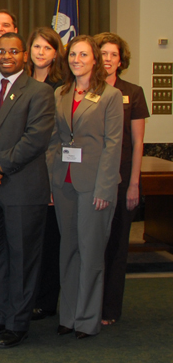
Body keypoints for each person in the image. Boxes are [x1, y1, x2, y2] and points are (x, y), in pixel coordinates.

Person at [0, 33, 55, 348]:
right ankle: (0, 315)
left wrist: (0, 168)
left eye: (13, 51)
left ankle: (18, 323)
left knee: (22, 257)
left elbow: (36, 138)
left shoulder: (40, 92)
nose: (7, 55)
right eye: (1, 50)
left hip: (21, 188)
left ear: (24, 56)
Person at [48, 35, 123, 338]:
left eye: (83, 54)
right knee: (68, 250)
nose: (77, 59)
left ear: (96, 59)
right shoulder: (61, 93)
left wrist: (105, 189)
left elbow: (114, 144)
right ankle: (68, 316)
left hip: (94, 185)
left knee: (91, 253)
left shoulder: (110, 95)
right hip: (64, 183)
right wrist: (51, 180)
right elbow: (54, 140)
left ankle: (87, 319)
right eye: (73, 55)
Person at [94, 32, 149, 326]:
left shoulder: (134, 92)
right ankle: (88, 304)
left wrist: (134, 184)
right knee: (93, 245)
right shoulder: (89, 90)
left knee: (116, 246)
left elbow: (138, 143)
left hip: (123, 177)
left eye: (113, 54)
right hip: (92, 178)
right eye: (103, 54)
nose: (108, 59)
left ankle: (110, 309)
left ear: (121, 60)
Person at [25, 27, 66, 321]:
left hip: (49, 171)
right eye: (36, 47)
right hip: (22, 171)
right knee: (27, 240)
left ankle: (47, 299)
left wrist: (52, 180)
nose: (41, 52)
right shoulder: (21, 83)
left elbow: (59, 138)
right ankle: (28, 295)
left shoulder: (62, 88)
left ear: (56, 53)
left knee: (49, 241)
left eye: (47, 48)